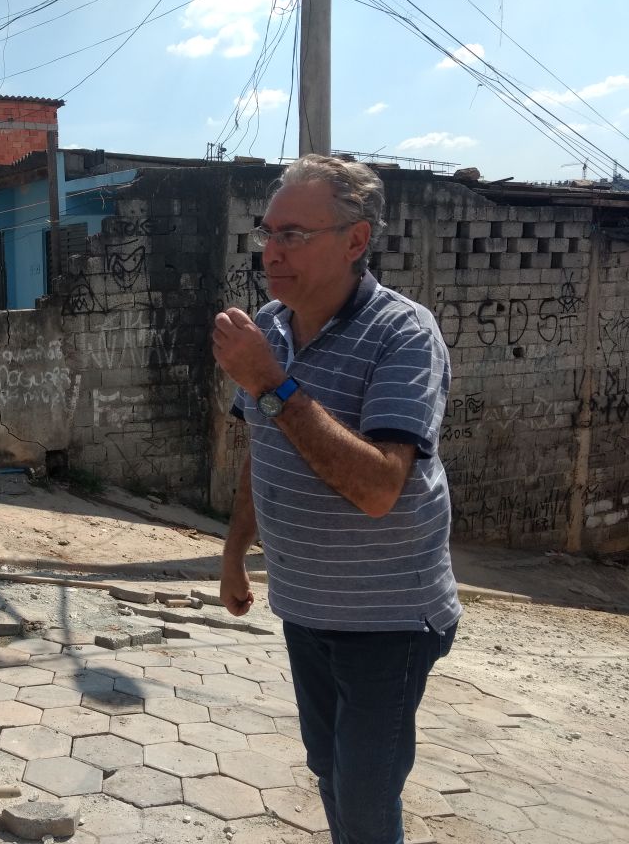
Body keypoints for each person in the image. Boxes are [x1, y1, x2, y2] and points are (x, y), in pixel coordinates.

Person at [212, 154, 461, 844]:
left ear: (355, 241)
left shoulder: (404, 335)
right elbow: (261, 452)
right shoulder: (274, 324)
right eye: (268, 232)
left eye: (294, 234)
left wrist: (272, 383)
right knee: (328, 767)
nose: (272, 250)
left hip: (389, 619)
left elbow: (381, 487)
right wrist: (234, 553)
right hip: (305, 605)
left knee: (364, 788)